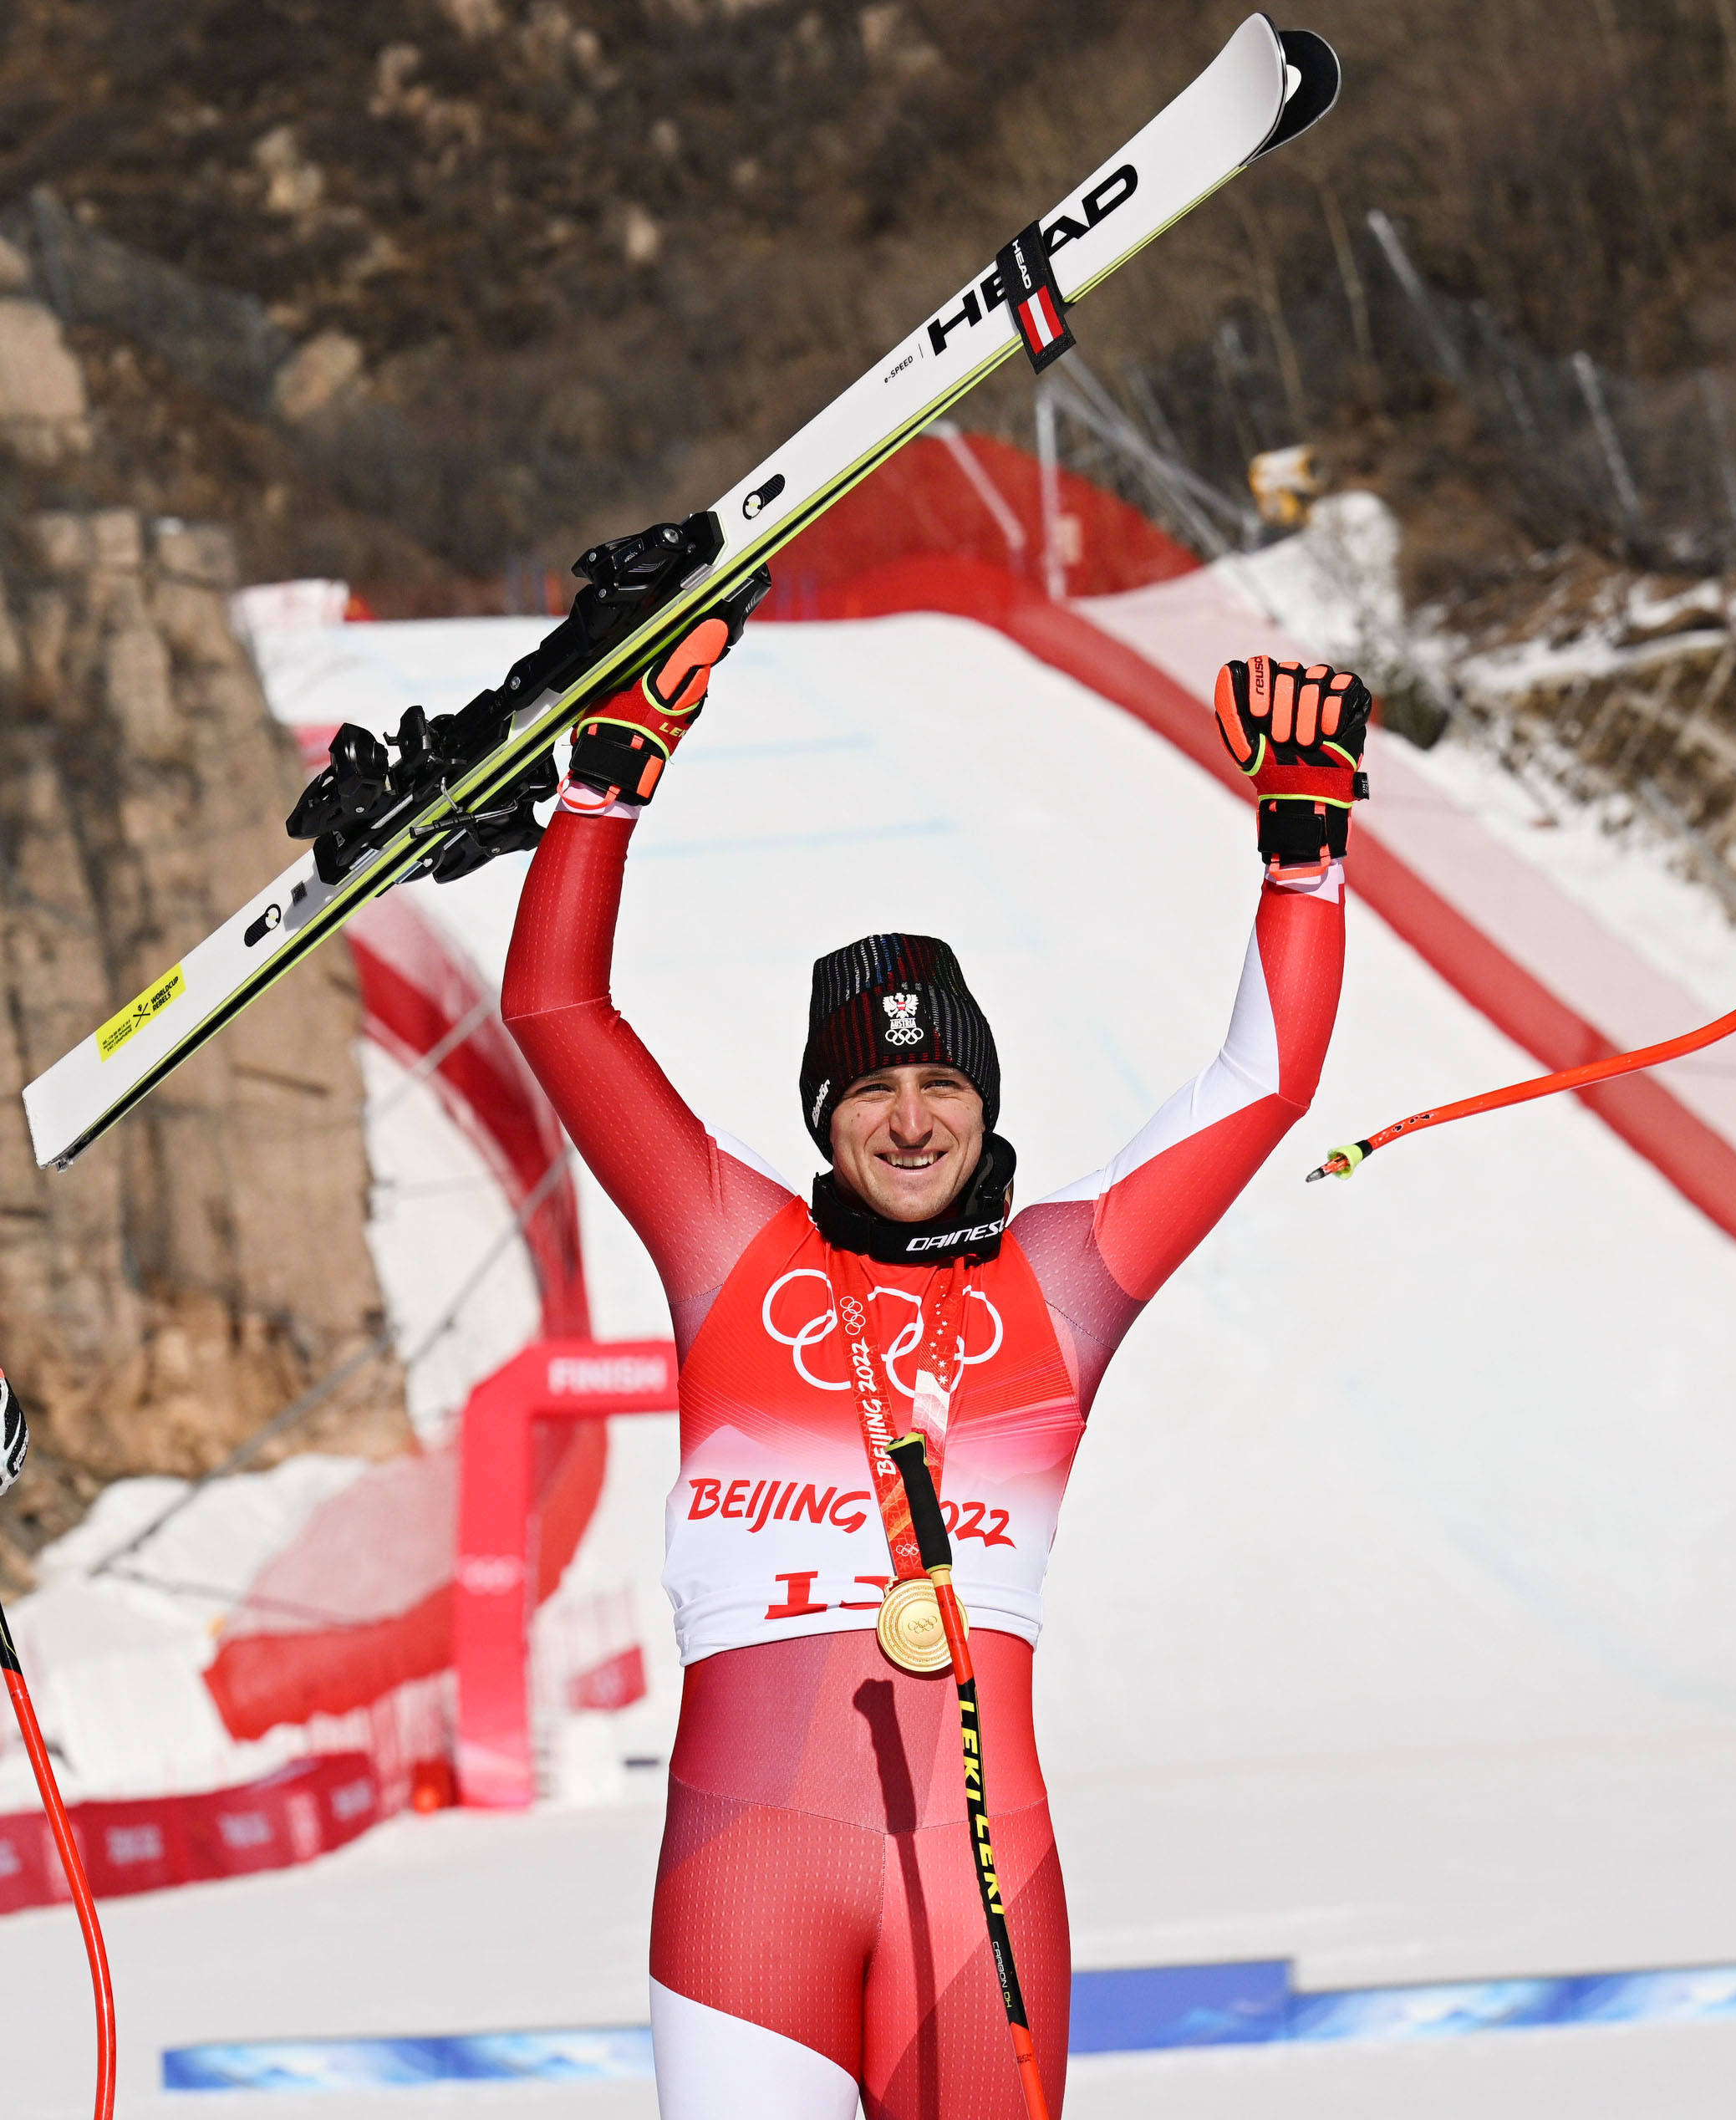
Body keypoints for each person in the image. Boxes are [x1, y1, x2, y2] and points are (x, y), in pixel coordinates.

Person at [500, 538, 1372, 2120]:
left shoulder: (1064, 1280)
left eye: (942, 1086)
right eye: (873, 1094)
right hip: (746, 1889)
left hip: (977, 1889)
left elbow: (1263, 1087)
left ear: (984, 1103)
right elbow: (559, 1010)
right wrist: (608, 780)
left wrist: (1302, 849)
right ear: (824, 1122)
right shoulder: (728, 1243)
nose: (911, 1122)